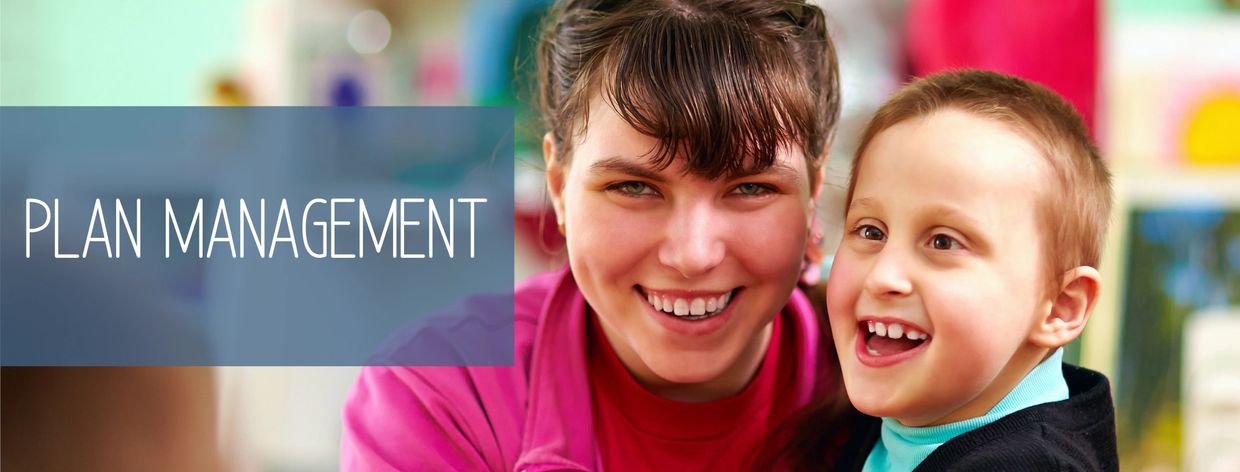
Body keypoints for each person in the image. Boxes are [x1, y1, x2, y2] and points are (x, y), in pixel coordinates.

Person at [341, 0, 860, 470]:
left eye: (750, 188)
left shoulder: (899, 381)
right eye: (634, 186)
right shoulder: (439, 399)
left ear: (813, 192)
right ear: (560, 185)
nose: (692, 255)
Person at [824, 69, 1119, 471]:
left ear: (1059, 307)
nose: (883, 276)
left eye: (944, 242)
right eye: (871, 231)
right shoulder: (901, 421)